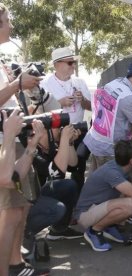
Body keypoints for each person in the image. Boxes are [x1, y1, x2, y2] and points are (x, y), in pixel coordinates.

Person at [0, 4, 49, 275]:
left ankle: (16, 264)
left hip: (11, 137)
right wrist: (17, 84)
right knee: (8, 214)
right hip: (3, 142)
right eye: (7, 20)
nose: (11, 25)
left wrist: (19, 88)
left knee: (19, 210)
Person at [74, 140, 132, 252]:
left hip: (100, 206)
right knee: (131, 204)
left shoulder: (121, 166)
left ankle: (109, 225)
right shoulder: (111, 172)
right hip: (86, 214)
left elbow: (131, 189)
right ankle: (94, 231)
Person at [83, 60, 132, 172]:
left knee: (95, 180)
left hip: (96, 140)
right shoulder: (128, 97)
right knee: (111, 186)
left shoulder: (115, 83)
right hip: (108, 150)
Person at [24, 124, 83, 249]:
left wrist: (70, 143)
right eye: (58, 127)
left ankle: (58, 230)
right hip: (23, 201)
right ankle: (23, 234)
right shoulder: (32, 148)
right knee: (57, 209)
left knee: (69, 185)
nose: (62, 129)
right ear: (44, 131)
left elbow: (73, 165)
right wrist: (64, 140)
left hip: (36, 193)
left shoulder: (49, 146)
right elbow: (56, 172)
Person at [41, 47, 91, 189]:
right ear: (57, 64)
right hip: (55, 134)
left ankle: (78, 202)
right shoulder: (45, 83)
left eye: (74, 62)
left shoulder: (79, 81)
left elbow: (91, 107)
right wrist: (59, 103)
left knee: (78, 169)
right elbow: (38, 111)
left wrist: (82, 101)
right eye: (70, 63)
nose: (73, 66)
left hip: (78, 131)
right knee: (57, 171)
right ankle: (58, 200)